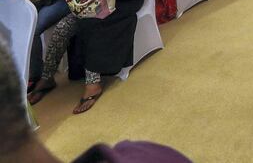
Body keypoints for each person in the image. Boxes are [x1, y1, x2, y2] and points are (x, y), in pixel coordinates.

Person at [3, 39, 193, 163]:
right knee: (73, 26)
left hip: (115, 5)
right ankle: (48, 77)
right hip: (88, 5)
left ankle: (92, 83)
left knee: (92, 26)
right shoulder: (154, 156)